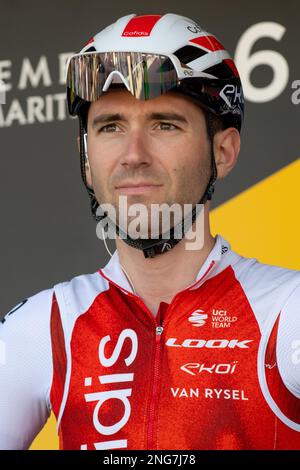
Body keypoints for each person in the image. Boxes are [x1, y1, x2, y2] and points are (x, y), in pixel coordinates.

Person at [0, 12, 299, 451]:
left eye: (164, 124)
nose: (133, 155)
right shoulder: (42, 326)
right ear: (86, 158)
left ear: (223, 151)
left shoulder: (287, 313)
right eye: (110, 127)